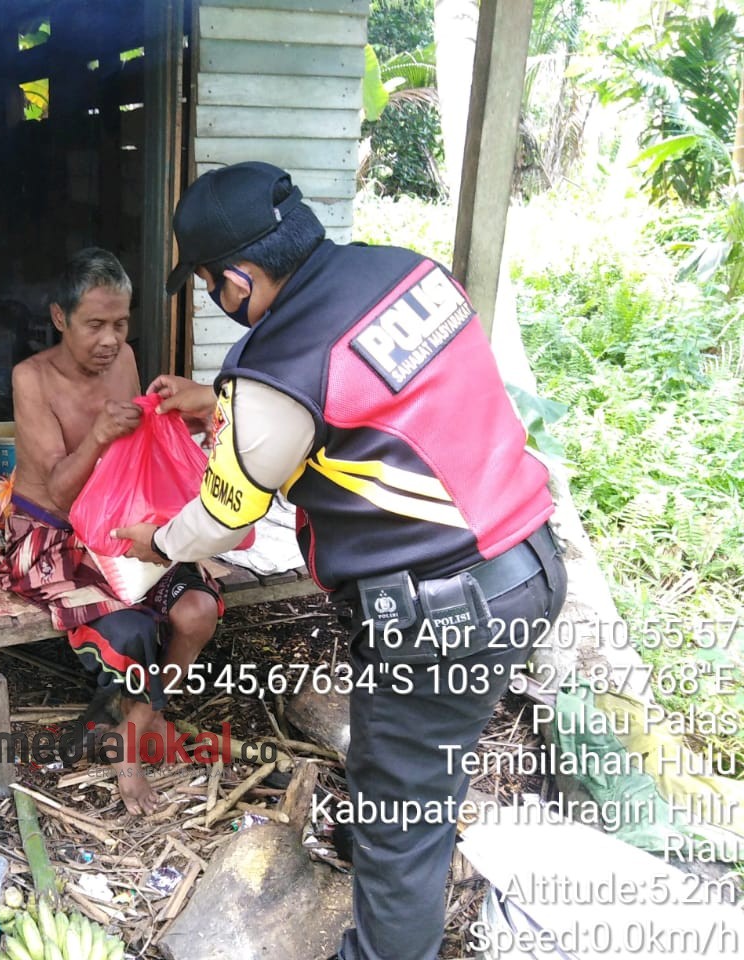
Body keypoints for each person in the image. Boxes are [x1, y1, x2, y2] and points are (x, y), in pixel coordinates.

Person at [113, 162, 568, 960]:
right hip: (526, 563)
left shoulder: (279, 365)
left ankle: (390, 913)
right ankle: (393, 837)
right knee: (424, 759)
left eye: (213, 287)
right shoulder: (409, 273)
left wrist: (158, 542)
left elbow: (226, 512)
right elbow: (375, 391)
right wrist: (223, 400)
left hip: (442, 613)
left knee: (403, 828)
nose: (217, 301)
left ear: (236, 279)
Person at [0, 247, 223, 816]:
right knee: (128, 631)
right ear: (59, 318)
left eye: (120, 324)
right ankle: (129, 762)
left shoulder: (123, 361)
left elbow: (139, 449)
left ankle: (151, 710)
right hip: (53, 536)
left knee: (197, 610)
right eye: (94, 324)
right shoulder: (33, 379)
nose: (110, 339)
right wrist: (97, 434)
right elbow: (61, 493)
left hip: (116, 523)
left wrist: (181, 417)